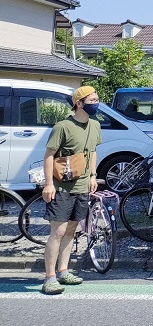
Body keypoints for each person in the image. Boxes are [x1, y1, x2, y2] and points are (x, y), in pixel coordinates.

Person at [40, 85, 103, 295]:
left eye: (97, 99)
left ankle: (63, 271)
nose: (96, 103)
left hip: (82, 185)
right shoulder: (63, 126)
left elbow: (92, 151)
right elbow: (49, 155)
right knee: (57, 231)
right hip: (62, 187)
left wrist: (93, 175)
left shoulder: (95, 125)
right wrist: (49, 184)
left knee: (71, 230)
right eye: (92, 100)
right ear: (79, 103)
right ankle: (49, 278)